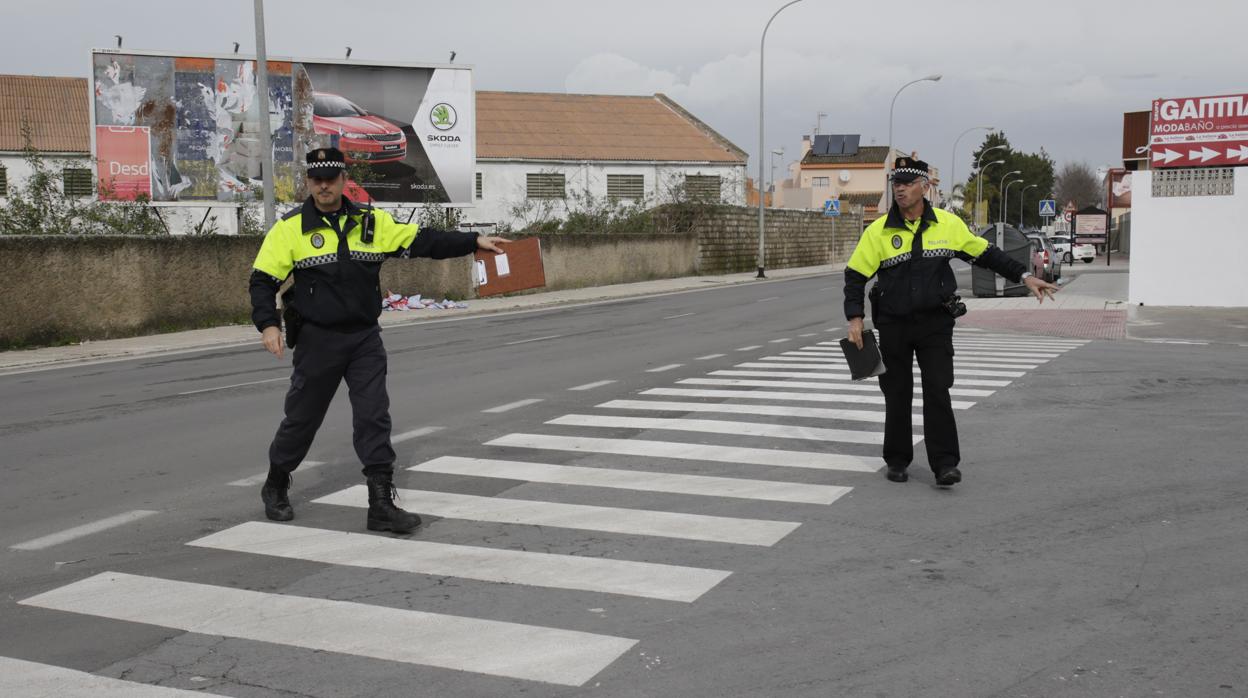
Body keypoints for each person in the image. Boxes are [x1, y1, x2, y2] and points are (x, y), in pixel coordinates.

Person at [248, 147, 507, 532]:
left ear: (343, 181)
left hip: (363, 338)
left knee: (373, 418)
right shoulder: (290, 229)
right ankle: (276, 482)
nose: (323, 186)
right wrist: (268, 325)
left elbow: (423, 241)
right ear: (308, 182)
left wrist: (472, 241)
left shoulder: (371, 222)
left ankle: (381, 503)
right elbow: (262, 280)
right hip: (319, 341)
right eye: (316, 179)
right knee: (302, 420)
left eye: (331, 178)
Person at [843, 157, 1058, 487]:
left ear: (924, 187)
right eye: (895, 183)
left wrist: (1024, 274)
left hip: (935, 324)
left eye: (906, 183)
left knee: (938, 390)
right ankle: (898, 459)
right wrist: (855, 318)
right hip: (894, 324)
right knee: (896, 393)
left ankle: (944, 464)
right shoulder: (879, 231)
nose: (899, 189)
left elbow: (986, 253)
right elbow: (856, 276)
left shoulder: (948, 224)